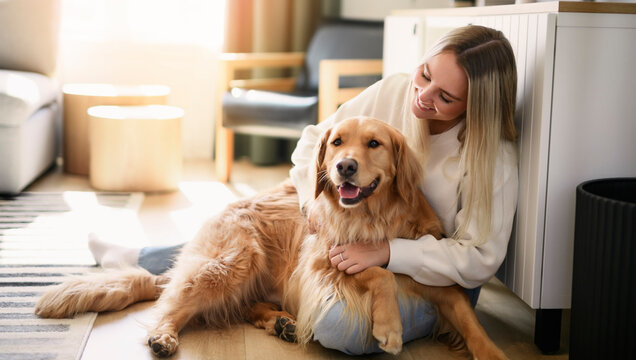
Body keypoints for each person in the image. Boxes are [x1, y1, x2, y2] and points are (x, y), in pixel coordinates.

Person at [89, 25, 519, 355]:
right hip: (354, 233)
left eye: (444, 97)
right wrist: (311, 199)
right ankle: (149, 264)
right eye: (424, 75)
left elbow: (477, 261)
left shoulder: (491, 159)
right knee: (246, 244)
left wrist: (388, 254)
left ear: (472, 107)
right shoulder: (394, 89)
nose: (422, 97)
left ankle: (160, 271)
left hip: (438, 267)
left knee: (336, 327)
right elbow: (317, 140)